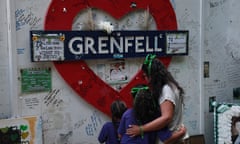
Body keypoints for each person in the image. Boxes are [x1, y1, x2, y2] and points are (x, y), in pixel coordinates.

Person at [126, 54, 188, 144]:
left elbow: (166, 118)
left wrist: (141, 129)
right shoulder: (171, 86)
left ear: (152, 76)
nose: (146, 80)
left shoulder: (166, 90)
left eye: (145, 76)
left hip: (173, 138)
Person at [118, 85, 186, 144]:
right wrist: (182, 132)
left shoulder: (127, 114)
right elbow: (166, 139)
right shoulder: (155, 116)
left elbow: (120, 135)